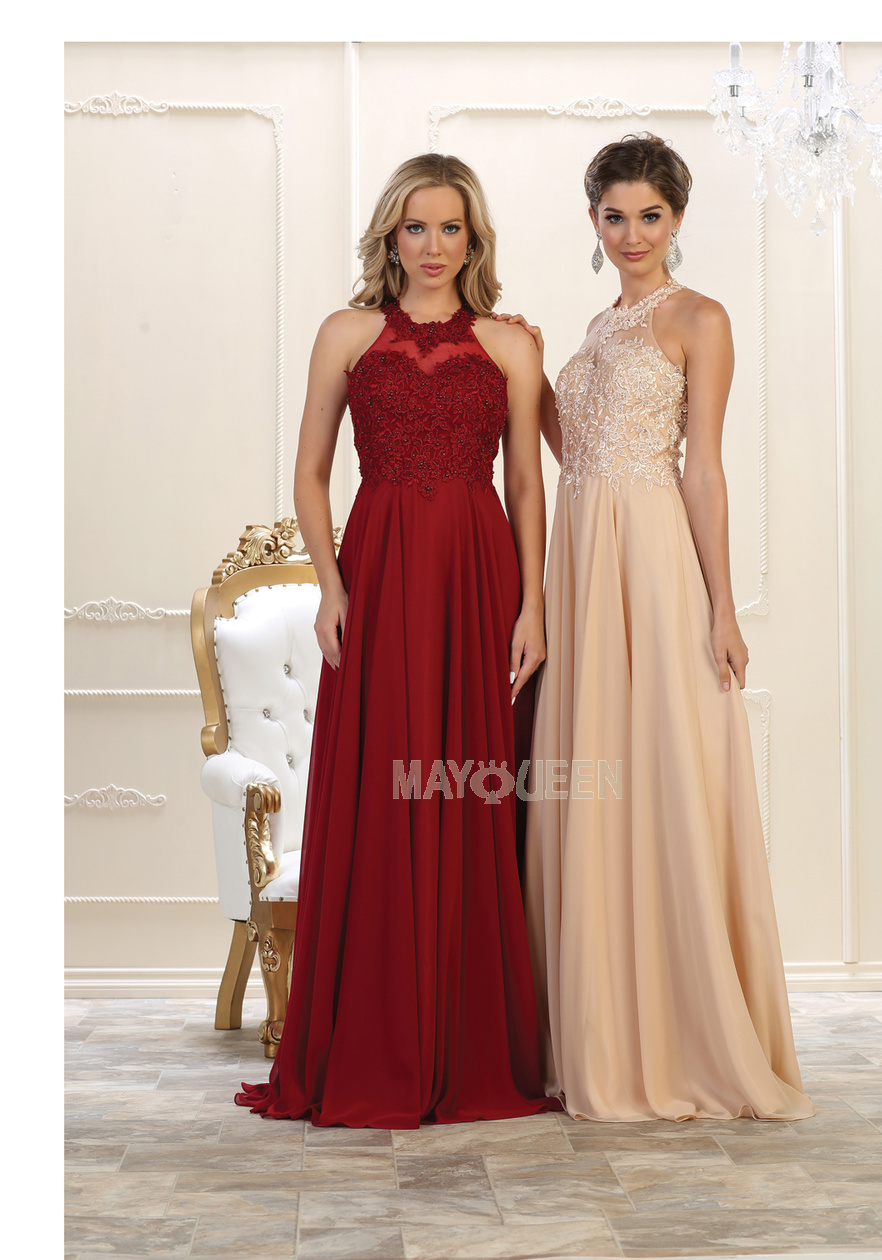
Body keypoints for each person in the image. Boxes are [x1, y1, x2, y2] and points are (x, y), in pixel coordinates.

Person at [236, 153, 561, 1129]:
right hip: (376, 573)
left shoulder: (511, 343)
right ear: (390, 234)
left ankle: (464, 1041)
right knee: (382, 786)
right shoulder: (346, 332)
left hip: (478, 572)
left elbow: (527, 483)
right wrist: (329, 584)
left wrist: (534, 605)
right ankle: (376, 1037)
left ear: (474, 239)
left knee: (467, 786)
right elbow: (309, 472)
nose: (432, 246)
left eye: (450, 228)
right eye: (415, 227)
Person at [500, 134, 814, 1122]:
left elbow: (703, 468)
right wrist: (532, 370)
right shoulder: (597, 326)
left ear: (677, 218)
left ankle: (681, 1032)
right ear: (592, 219)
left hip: (651, 557)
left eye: (650, 216)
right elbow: (574, 449)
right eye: (614, 216)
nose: (631, 234)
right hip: (581, 556)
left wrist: (721, 603)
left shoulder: (700, 318)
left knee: (664, 767)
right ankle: (596, 1027)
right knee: (592, 773)